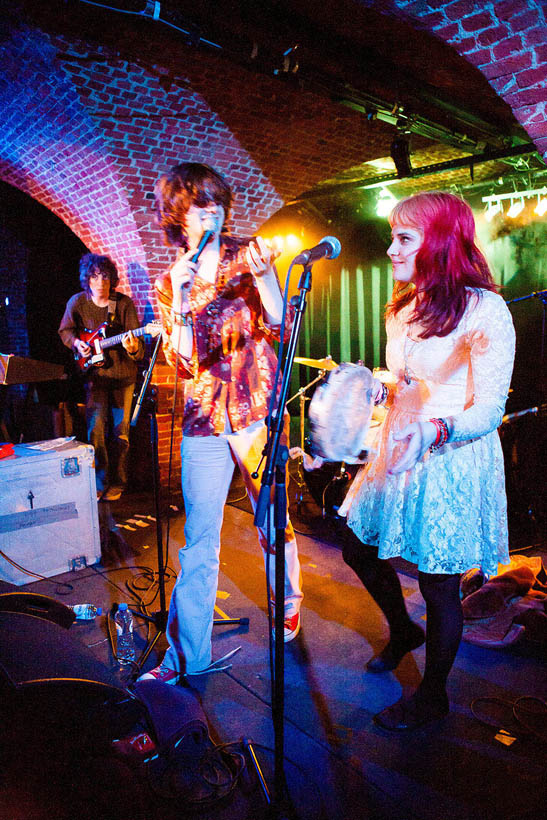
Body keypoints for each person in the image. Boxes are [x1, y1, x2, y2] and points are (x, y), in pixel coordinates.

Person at [338, 191, 515, 731]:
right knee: (355, 546)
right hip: (400, 444)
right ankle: (403, 630)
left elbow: (489, 405)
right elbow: (408, 380)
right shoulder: (405, 306)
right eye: (392, 237)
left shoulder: (486, 309)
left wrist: (438, 428)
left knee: (438, 584)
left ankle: (433, 693)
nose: (391, 249)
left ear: (439, 243)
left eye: (404, 238)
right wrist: (374, 388)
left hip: (451, 455)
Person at [139, 162, 303, 683]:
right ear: (178, 217)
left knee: (272, 518)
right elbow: (184, 359)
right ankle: (188, 656)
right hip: (204, 418)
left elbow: (278, 322)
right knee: (200, 538)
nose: (211, 209)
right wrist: (182, 301)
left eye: (216, 200)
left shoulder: (247, 252)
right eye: (198, 202)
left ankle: (289, 599)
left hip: (256, 412)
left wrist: (261, 277)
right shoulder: (170, 282)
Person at [59, 253, 144, 501]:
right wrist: (77, 343)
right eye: (95, 276)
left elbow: (137, 348)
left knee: (121, 432)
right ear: (87, 279)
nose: (100, 281)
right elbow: (65, 330)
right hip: (95, 376)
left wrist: (132, 348)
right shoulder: (77, 302)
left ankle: (118, 482)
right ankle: (99, 481)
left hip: (123, 377)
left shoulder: (123, 304)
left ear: (111, 278)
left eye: (105, 276)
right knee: (95, 430)